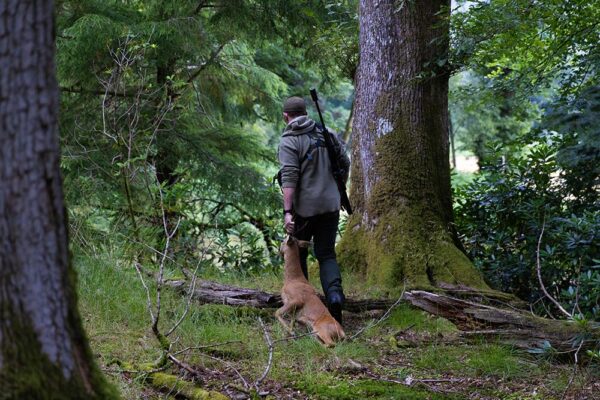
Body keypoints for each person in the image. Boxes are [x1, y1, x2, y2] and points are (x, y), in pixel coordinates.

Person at [277, 96, 350, 325]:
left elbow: (289, 178)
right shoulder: (326, 132)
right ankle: (335, 297)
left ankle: (304, 308)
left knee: (299, 256)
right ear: (305, 113)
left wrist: (288, 212)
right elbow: (344, 163)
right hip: (330, 204)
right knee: (327, 254)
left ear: (285, 117)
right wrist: (338, 193)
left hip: (304, 209)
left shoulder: (289, 141)